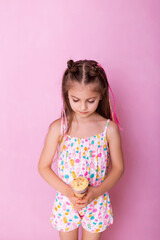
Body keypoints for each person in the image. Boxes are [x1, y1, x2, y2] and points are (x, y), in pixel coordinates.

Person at [38, 59, 125, 240]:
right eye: (76, 100)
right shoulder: (59, 128)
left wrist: (96, 192)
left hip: (96, 200)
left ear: (101, 95)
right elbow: (43, 167)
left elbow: (118, 167)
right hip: (66, 200)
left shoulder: (109, 129)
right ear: (66, 95)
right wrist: (69, 192)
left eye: (90, 100)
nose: (83, 107)